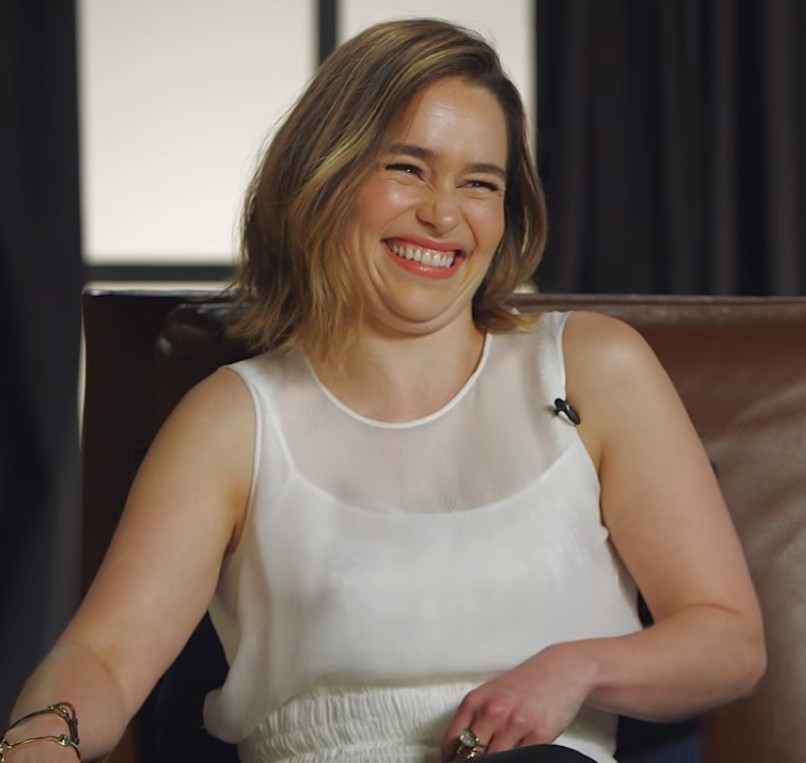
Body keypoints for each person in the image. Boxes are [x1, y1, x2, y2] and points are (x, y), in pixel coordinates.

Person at [4, 17, 765, 763]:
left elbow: (728, 637)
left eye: (480, 183)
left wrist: (578, 667)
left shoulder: (594, 367)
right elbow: (102, 657)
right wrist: (39, 743)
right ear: (324, 176)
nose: (443, 213)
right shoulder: (232, 419)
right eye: (407, 168)